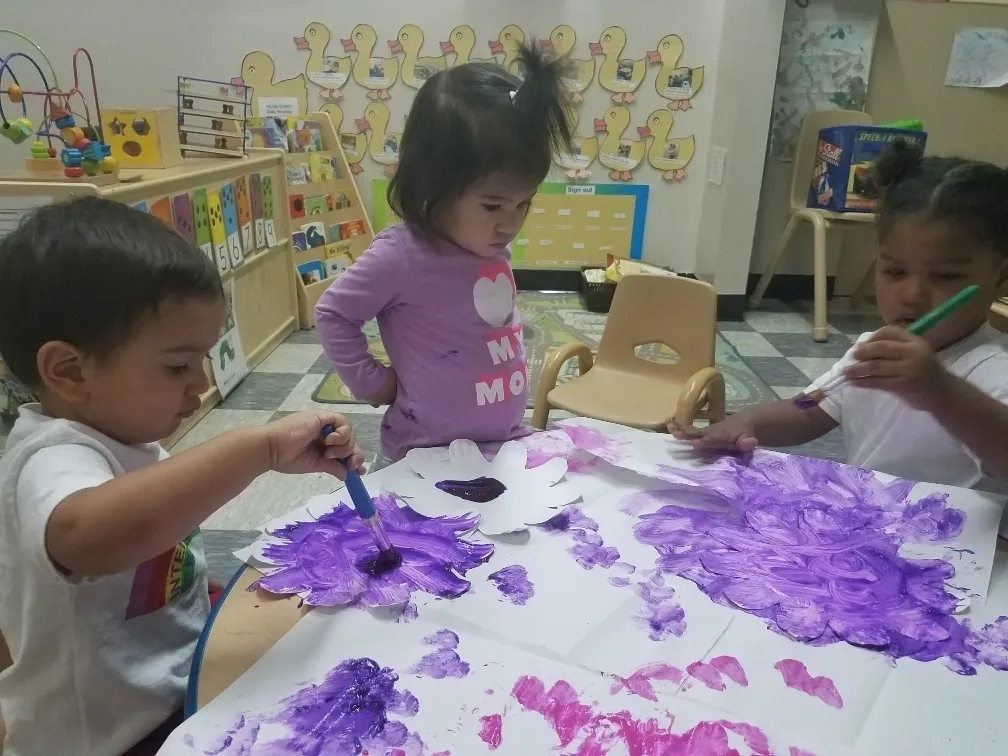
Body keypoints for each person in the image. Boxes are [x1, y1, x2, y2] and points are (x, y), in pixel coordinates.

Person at [0, 197, 364, 756]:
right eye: (176, 366)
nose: (199, 385)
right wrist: (260, 447)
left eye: (202, 360)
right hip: (105, 736)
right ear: (70, 371)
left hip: (170, 682)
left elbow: (154, 549)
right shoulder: (50, 458)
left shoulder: (124, 433)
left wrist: (194, 590)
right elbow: (90, 537)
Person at [673, 141, 1008, 495]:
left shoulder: (993, 370)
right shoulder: (874, 349)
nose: (911, 295)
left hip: (953, 539)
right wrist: (744, 422)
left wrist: (938, 390)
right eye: (894, 272)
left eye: (944, 277)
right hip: (874, 520)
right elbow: (808, 410)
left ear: (1000, 277)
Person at [315, 41, 575, 469]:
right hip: (424, 456)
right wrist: (375, 384)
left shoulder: (488, 243)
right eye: (492, 206)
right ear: (433, 186)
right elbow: (333, 314)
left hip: (501, 441)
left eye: (524, 203)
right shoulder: (402, 255)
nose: (510, 224)